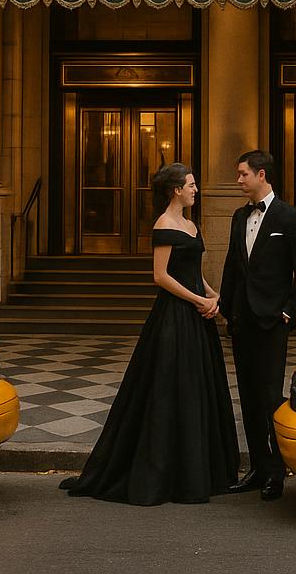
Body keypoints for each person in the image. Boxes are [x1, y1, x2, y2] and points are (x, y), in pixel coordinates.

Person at [61, 163, 238, 505]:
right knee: (167, 391)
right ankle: (161, 474)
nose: (195, 190)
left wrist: (214, 296)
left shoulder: (190, 223)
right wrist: (199, 300)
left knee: (196, 390)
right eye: (191, 185)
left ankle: (195, 472)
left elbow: (192, 273)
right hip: (173, 318)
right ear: (175, 190)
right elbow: (161, 277)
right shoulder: (164, 223)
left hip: (198, 318)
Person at [220, 150, 296, 503]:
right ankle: (258, 467)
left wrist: (288, 311)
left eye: (243, 174)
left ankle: (276, 472)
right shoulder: (237, 216)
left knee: (270, 397)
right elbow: (232, 267)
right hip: (243, 321)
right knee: (247, 396)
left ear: (262, 175)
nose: (238, 180)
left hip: (273, 322)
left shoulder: (291, 218)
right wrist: (228, 312)